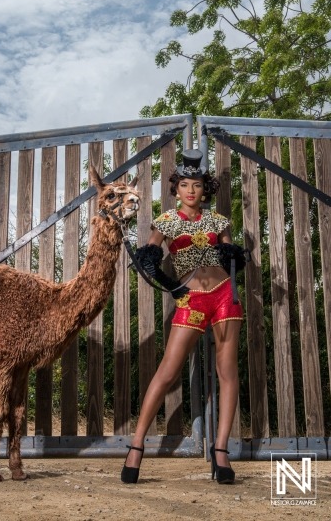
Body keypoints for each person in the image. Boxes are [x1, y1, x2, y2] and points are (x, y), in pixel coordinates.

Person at [121, 149, 244, 485]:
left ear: (206, 188)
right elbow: (147, 261)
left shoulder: (219, 222)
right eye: (185, 185)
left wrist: (235, 254)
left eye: (198, 185)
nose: (192, 191)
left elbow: (233, 262)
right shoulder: (166, 222)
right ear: (176, 189)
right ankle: (136, 446)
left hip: (224, 296)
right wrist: (170, 286)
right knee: (167, 372)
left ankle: (221, 452)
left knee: (227, 371)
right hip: (191, 299)